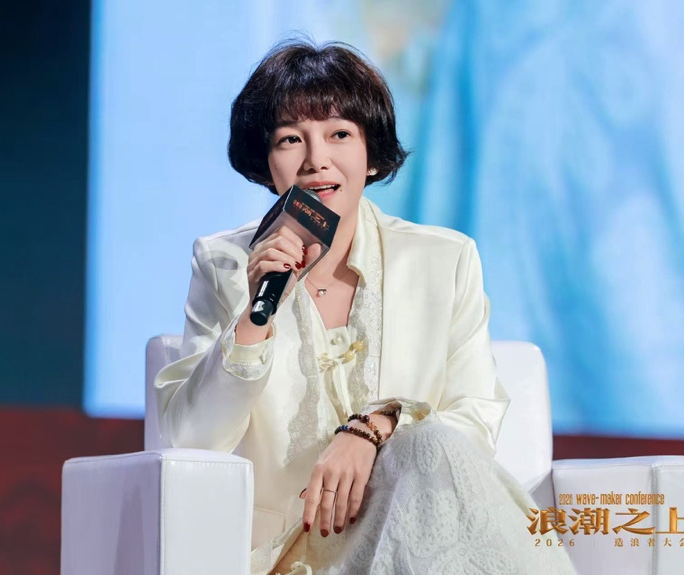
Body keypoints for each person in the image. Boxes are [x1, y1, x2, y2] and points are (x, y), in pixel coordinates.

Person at [154, 40, 575, 575]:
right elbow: (192, 441)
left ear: (371, 155)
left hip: (417, 531)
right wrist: (257, 314)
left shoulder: (445, 260)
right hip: (289, 551)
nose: (316, 160)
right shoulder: (224, 264)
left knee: (432, 447)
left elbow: (472, 424)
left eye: (339, 134)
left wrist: (375, 426)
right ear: (265, 163)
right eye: (290, 139)